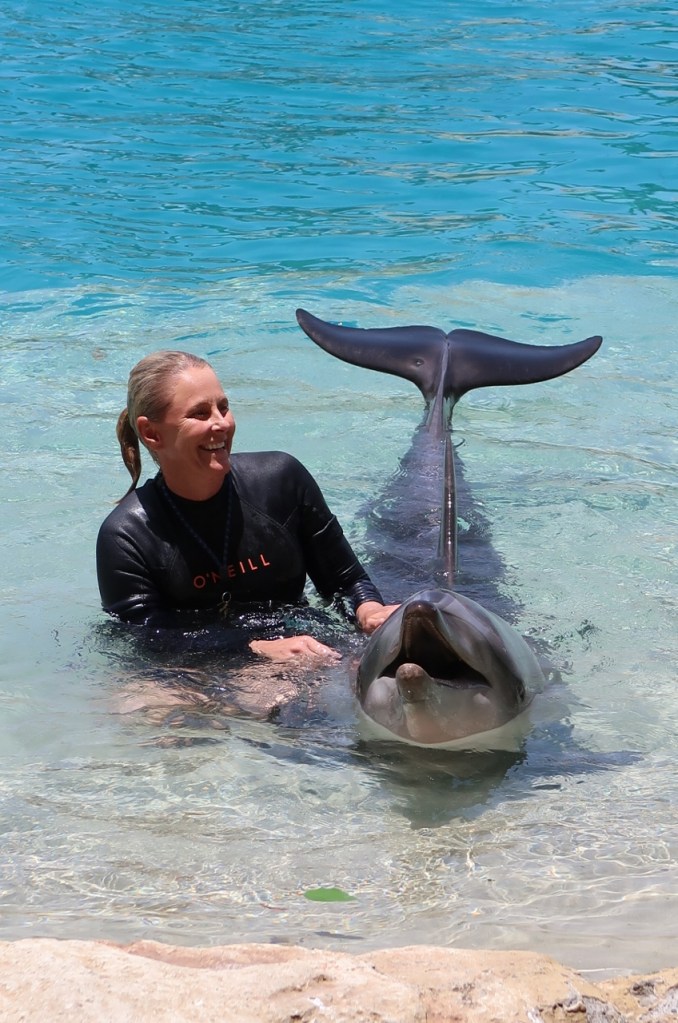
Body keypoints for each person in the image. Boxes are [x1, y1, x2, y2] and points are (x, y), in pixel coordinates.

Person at [96, 350, 398, 661]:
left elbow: (345, 581)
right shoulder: (126, 535)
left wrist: (368, 609)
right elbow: (143, 638)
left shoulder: (282, 479)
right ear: (151, 433)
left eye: (223, 408)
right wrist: (252, 651)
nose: (221, 423)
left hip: (302, 643)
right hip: (202, 669)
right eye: (200, 413)